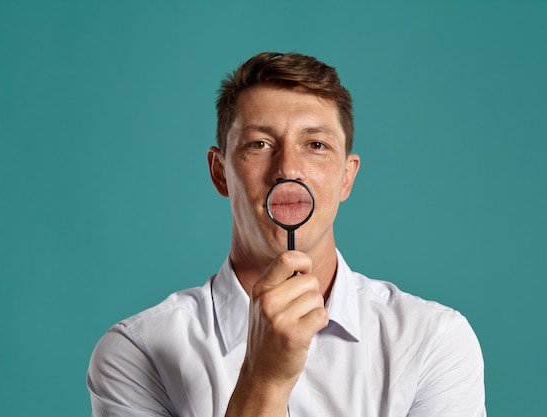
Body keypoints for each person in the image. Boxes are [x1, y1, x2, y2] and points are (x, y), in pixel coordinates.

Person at [87, 51, 486, 417]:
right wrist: (264, 381)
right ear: (220, 172)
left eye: (315, 144)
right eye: (259, 144)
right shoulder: (136, 352)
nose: (288, 169)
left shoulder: (432, 340)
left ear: (347, 178)